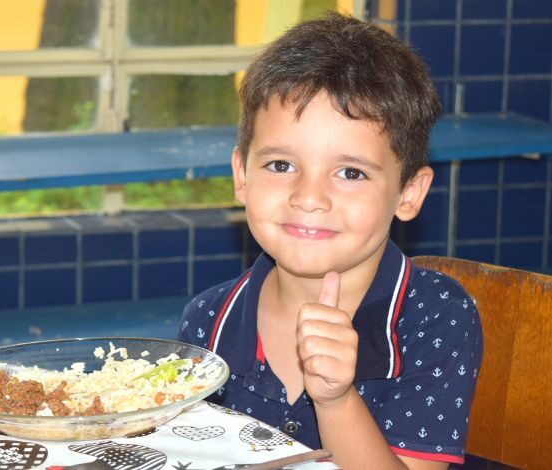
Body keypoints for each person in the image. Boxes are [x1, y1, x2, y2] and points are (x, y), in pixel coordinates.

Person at [177, 12, 483, 470]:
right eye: (281, 165)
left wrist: (336, 400)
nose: (309, 197)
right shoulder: (209, 322)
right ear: (241, 176)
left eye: (350, 172)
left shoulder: (434, 317)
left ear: (408, 193)